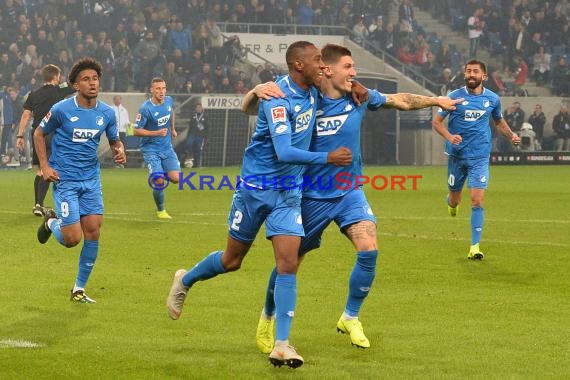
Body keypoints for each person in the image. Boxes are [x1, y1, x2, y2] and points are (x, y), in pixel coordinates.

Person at [250, 44, 463, 353]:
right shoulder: (309, 98)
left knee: (369, 247)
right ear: (328, 69)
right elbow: (280, 93)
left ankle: (350, 316)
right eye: (348, 67)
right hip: (310, 195)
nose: (354, 72)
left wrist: (435, 100)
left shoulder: (359, 97)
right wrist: (257, 89)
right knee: (289, 263)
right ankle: (268, 316)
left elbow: (399, 100)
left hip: (350, 190)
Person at [165, 41, 353, 369]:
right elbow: (284, 152)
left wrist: (355, 85)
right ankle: (185, 279)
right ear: (298, 65)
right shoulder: (277, 98)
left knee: (288, 262)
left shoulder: (313, 89)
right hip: (255, 190)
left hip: (288, 194)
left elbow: (342, 84)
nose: (322, 65)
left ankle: (282, 344)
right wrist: (328, 157)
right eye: (316, 60)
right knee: (232, 260)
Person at [34, 57, 126, 303]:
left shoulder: (106, 113)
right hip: (66, 181)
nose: (92, 83)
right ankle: (51, 222)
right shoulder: (62, 109)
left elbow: (115, 139)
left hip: (91, 181)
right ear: (75, 85)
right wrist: (44, 166)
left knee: (93, 232)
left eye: (95, 78)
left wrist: (119, 149)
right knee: (72, 239)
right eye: (86, 79)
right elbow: (39, 133)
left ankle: (78, 289)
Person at [432, 59, 521, 260]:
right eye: (468, 71)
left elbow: (498, 121)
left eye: (475, 71)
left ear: (484, 76)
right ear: (465, 74)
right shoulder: (453, 97)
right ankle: (451, 202)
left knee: (477, 200)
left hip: (480, 156)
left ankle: (475, 246)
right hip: (457, 156)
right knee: (455, 200)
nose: (471, 74)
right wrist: (449, 137)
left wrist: (512, 135)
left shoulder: (492, 99)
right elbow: (436, 122)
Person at [16, 64, 76, 216]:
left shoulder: (33, 94)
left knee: (41, 170)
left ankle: (38, 205)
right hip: (54, 134)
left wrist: (20, 135)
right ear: (56, 77)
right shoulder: (60, 89)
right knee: (55, 169)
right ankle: (65, 204)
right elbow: (75, 85)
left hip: (37, 135)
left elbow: (25, 116)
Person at [134, 78, 180, 220]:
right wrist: (156, 133)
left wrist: (172, 128)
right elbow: (135, 131)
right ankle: (161, 210)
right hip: (150, 149)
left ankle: (158, 173)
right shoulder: (145, 108)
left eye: (163, 88)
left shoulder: (169, 101)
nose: (161, 91)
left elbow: (171, 113)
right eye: (158, 89)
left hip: (166, 148)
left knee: (176, 179)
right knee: (159, 181)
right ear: (152, 90)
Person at [186, 103, 207, 168]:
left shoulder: (205, 116)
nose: (198, 109)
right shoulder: (193, 115)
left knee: (199, 150)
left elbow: (207, 127)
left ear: (202, 108)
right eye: (197, 107)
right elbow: (190, 125)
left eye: (199, 107)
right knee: (189, 143)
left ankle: (198, 164)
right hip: (192, 133)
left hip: (200, 135)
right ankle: (190, 156)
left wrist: (207, 136)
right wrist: (188, 134)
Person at [111, 94, 130, 167]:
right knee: (115, 147)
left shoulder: (124, 110)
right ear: (114, 100)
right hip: (115, 132)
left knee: (123, 147)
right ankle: (116, 163)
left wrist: (129, 131)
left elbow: (127, 121)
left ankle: (122, 163)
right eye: (116, 99)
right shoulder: (111, 109)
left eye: (119, 99)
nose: (118, 100)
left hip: (123, 131)